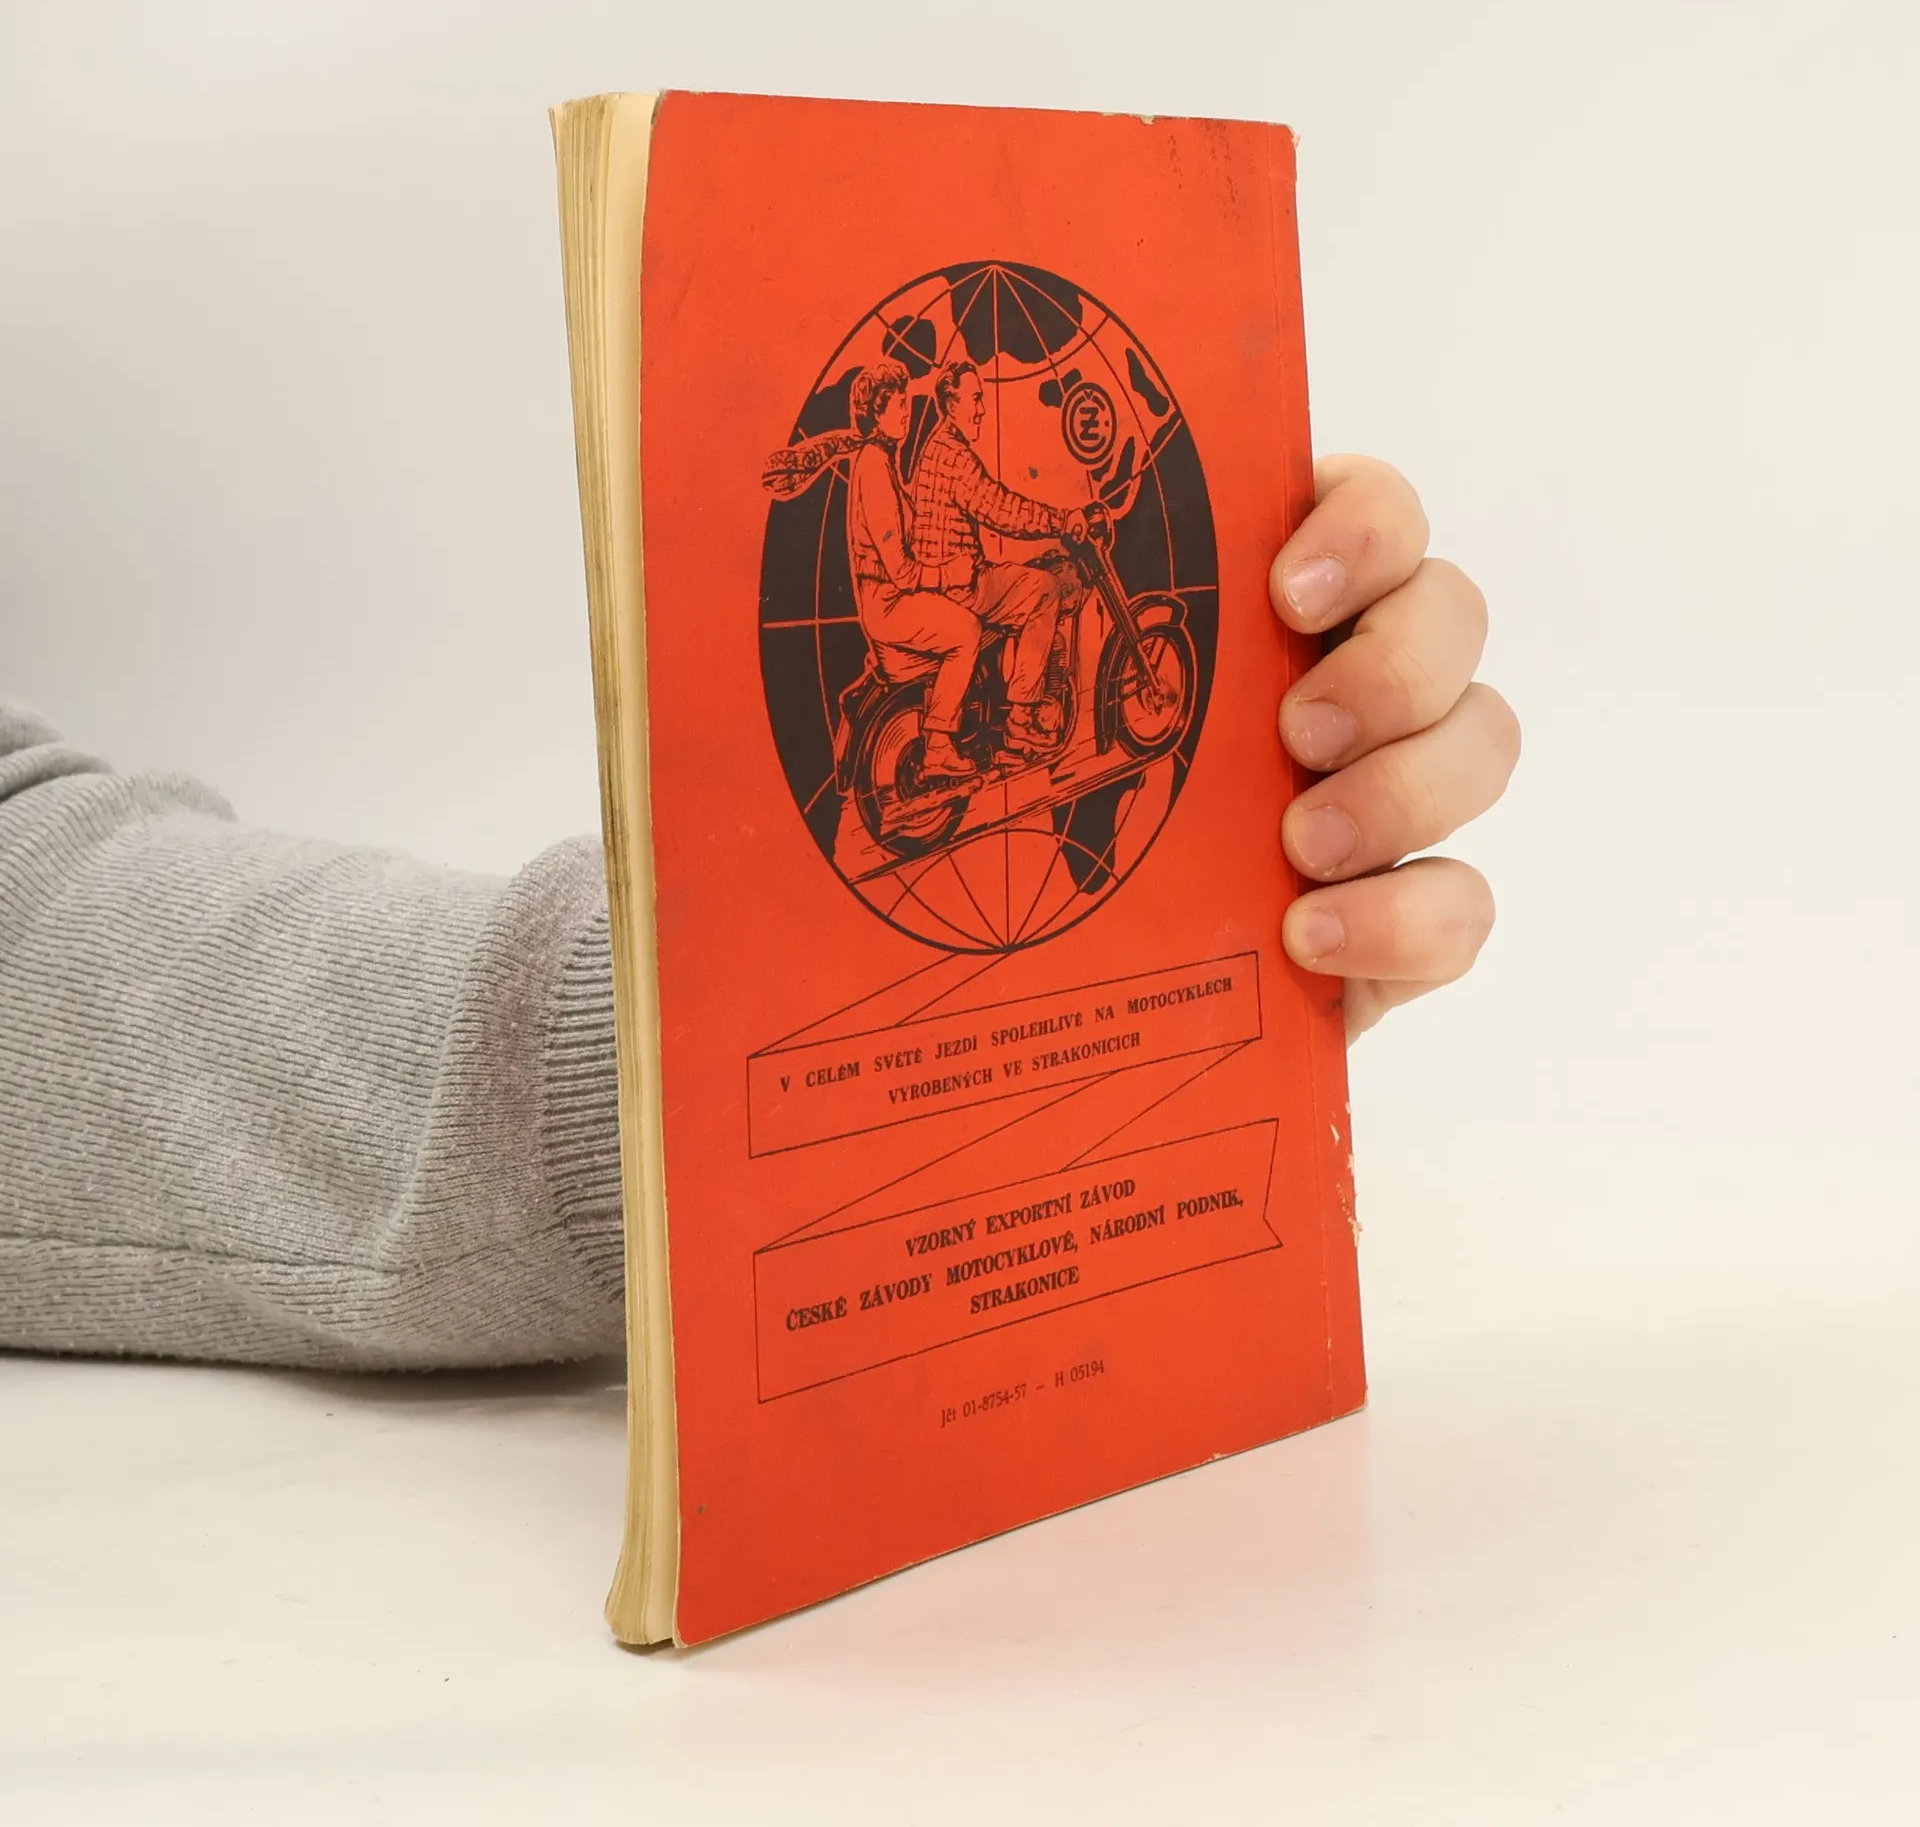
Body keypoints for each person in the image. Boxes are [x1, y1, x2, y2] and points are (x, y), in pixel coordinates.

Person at [0, 457, 1518, 1371]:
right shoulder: (910, 480)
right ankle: (963, 745)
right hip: (914, 619)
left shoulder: (945, 468)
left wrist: (863, 1061)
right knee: (970, 638)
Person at [909, 359, 1094, 759]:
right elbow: (999, 508)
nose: (981, 409)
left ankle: (1004, 697)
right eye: (975, 399)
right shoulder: (955, 457)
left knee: (1022, 580)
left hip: (942, 586)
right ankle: (1021, 721)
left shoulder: (933, 449)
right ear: (951, 404)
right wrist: (1062, 520)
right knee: (1045, 589)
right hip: (963, 587)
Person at [842, 359, 981, 782]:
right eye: (899, 404)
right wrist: (949, 573)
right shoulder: (873, 468)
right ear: (878, 412)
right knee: (967, 630)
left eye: (907, 402)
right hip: (889, 606)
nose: (907, 411)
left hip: (889, 601)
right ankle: (938, 745)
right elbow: (901, 572)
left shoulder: (882, 462)